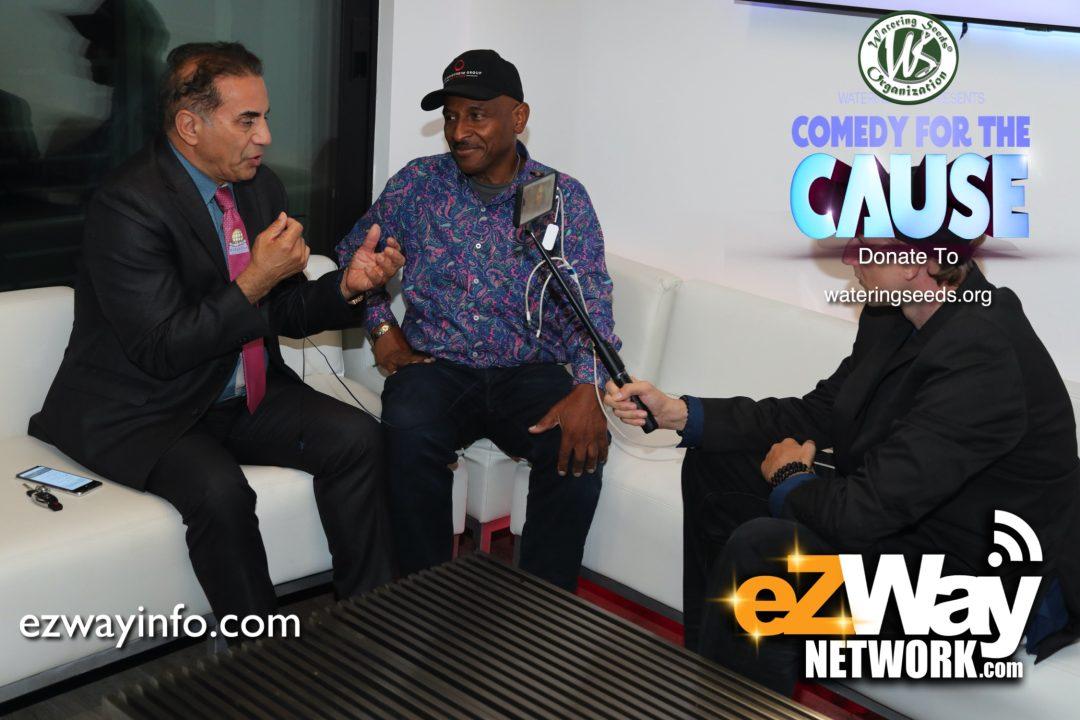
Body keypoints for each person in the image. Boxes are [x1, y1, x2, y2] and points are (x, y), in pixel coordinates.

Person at [605, 232, 1080, 695]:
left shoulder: (983, 354)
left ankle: (738, 696)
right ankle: (717, 682)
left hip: (974, 587)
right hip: (911, 526)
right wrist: (680, 413)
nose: (850, 258)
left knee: (765, 554)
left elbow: (862, 515)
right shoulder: (894, 313)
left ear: (918, 262)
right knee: (716, 465)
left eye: (864, 247)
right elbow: (822, 412)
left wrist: (792, 478)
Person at [29, 42, 404, 625]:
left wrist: (347, 287)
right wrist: (256, 279)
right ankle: (258, 652)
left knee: (358, 438)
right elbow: (162, 348)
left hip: (240, 393)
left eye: (265, 117)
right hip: (148, 407)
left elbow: (285, 311)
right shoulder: (127, 205)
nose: (265, 137)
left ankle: (373, 624)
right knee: (219, 490)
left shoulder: (260, 188)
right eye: (247, 121)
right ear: (190, 126)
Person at [336, 50, 617, 592]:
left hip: (530, 370)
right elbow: (355, 256)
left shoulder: (562, 197)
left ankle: (545, 604)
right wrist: (382, 328)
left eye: (477, 115)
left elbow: (591, 297)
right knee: (407, 429)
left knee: (578, 447)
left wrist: (589, 385)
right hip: (436, 366)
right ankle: (420, 596)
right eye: (450, 116)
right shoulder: (419, 184)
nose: (458, 131)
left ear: (518, 117)